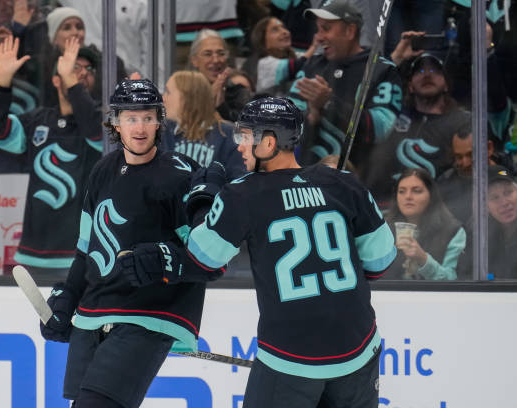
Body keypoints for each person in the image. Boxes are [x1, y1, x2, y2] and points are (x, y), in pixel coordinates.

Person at [119, 97, 397, 407]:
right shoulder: (344, 184)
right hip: (358, 350)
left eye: (245, 136)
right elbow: (380, 264)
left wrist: (203, 200)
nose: (239, 145)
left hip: (290, 357)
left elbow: (203, 257)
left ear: (268, 142)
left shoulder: (243, 193)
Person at [39, 78, 216, 407]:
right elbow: (85, 252)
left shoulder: (179, 174)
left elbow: (208, 258)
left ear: (160, 121)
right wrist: (67, 297)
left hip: (147, 315)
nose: (140, 127)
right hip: (94, 313)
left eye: (148, 117)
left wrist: (164, 261)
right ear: (115, 123)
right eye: (131, 118)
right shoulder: (103, 170)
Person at [0, 36, 102, 273]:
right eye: (74, 67)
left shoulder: (102, 122)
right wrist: (3, 81)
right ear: (56, 80)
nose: (82, 74)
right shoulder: (38, 120)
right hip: (32, 256)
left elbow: (95, 130)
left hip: (82, 258)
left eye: (88, 69)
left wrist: (71, 79)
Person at [288, 0, 402, 175]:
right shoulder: (312, 66)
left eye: (326, 29)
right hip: (308, 183)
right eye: (318, 29)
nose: (318, 37)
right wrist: (312, 116)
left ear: (350, 31)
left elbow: (380, 130)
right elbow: (285, 123)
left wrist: (329, 104)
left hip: (359, 183)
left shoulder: (381, 69)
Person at [364, 53, 471, 208]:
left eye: (435, 71)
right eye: (420, 72)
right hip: (388, 208)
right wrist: (395, 60)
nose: (427, 75)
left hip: (440, 212)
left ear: (446, 84)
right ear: (410, 86)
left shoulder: (462, 121)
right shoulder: (392, 117)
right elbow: (366, 104)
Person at [161, 70, 246, 180]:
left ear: (187, 98)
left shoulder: (229, 135)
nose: (163, 98)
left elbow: (239, 182)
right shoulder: (162, 132)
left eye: (168, 92)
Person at [384, 168, 466, 280]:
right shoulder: (384, 231)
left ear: (431, 196)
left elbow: (454, 280)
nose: (408, 196)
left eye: (416, 191)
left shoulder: (453, 231)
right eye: (402, 191)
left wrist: (423, 259)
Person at [243, 16, 318, 96]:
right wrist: (314, 46)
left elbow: (314, 59)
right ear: (263, 41)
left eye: (283, 27)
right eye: (275, 30)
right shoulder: (264, 64)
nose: (285, 32)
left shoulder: (295, 55)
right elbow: (297, 66)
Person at [188, 29, 250, 122]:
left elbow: (245, 128)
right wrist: (208, 99)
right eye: (208, 54)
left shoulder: (238, 92)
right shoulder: (185, 92)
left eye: (221, 54)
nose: (216, 60)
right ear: (194, 60)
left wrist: (221, 106)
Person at [487, 165, 517, 279]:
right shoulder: (480, 233)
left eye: (508, 192)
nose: (504, 203)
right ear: (485, 205)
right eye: (494, 197)